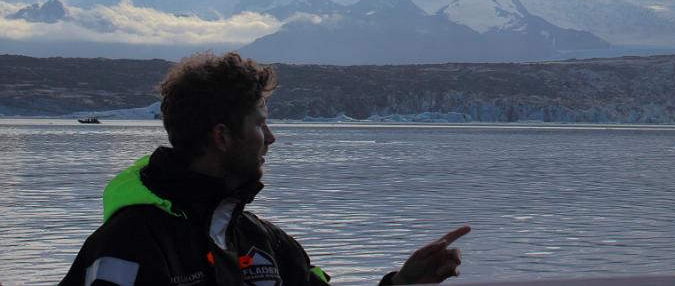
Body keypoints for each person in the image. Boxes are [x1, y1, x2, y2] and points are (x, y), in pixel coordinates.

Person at [60, 52, 469, 286]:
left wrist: (402, 285)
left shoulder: (259, 240)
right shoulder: (131, 242)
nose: (270, 138)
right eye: (259, 123)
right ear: (222, 136)